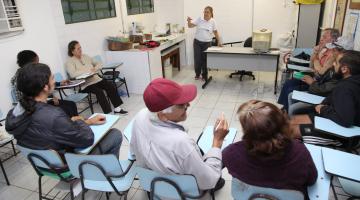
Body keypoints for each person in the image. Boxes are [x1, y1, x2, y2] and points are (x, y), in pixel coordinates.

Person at [130, 78, 229, 191]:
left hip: (152, 183)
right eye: (181, 105)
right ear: (162, 115)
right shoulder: (181, 142)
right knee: (224, 155)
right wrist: (217, 141)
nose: (188, 105)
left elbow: (133, 152)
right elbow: (208, 181)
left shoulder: (140, 115)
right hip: (182, 191)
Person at [5, 63, 123, 157]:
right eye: (52, 78)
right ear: (45, 87)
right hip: (68, 165)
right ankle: (107, 173)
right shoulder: (53, 115)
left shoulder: (17, 110)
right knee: (115, 134)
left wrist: (87, 121)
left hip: (46, 165)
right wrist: (79, 121)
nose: (54, 80)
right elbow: (87, 139)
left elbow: (46, 129)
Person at [223, 100, 317, 199]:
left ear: (247, 131)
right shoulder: (300, 152)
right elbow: (312, 180)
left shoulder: (231, 153)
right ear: (282, 124)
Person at [291, 50, 360, 147]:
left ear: (344, 69)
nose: (333, 65)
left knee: (289, 131)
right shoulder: (349, 82)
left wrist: (323, 109)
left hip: (340, 135)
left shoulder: (345, 88)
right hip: (330, 119)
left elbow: (346, 120)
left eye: (336, 62)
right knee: (291, 121)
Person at [288, 36, 354, 116]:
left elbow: (325, 88)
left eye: (334, 50)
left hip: (322, 97)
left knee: (293, 107)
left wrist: (312, 82)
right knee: (291, 94)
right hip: (319, 90)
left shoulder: (339, 70)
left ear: (342, 52)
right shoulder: (334, 63)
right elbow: (322, 75)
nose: (332, 51)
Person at [278, 28, 340, 111]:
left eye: (324, 37)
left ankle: (286, 111)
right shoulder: (324, 51)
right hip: (314, 79)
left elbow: (321, 72)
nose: (321, 39)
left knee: (290, 90)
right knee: (288, 83)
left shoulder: (334, 55)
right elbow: (311, 66)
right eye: (322, 36)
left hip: (318, 85)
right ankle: (282, 109)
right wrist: (315, 53)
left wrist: (316, 59)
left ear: (334, 40)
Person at [65, 40, 127, 114]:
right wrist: (87, 71)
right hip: (85, 84)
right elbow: (72, 74)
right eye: (78, 49)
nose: (80, 50)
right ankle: (108, 113)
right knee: (99, 92)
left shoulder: (86, 56)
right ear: (72, 51)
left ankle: (117, 108)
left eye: (80, 47)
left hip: (96, 79)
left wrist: (95, 68)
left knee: (110, 85)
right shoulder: (69, 62)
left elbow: (99, 63)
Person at [11, 50, 78, 117]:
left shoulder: (31, 74)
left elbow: (42, 84)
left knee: (71, 104)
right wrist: (50, 99)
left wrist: (59, 83)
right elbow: (26, 100)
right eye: (36, 62)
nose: (38, 64)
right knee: (66, 109)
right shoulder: (21, 79)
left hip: (42, 102)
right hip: (34, 108)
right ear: (30, 64)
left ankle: (74, 125)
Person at [187, 6, 222, 81]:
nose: (205, 13)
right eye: (204, 12)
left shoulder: (213, 21)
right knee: (197, 59)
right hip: (197, 42)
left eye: (207, 12)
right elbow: (190, 26)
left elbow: (215, 32)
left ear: (211, 13)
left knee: (205, 60)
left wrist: (219, 41)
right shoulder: (199, 19)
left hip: (207, 44)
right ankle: (197, 74)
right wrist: (188, 21)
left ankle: (204, 76)